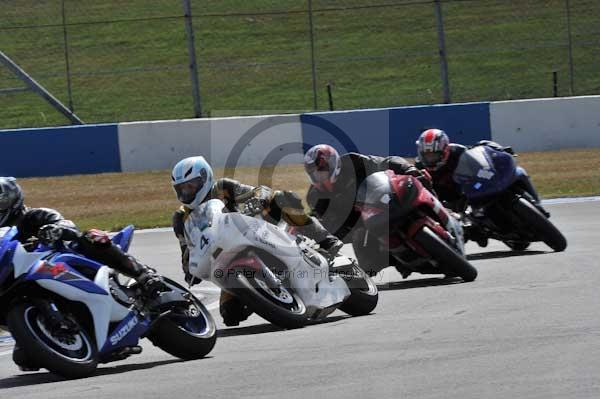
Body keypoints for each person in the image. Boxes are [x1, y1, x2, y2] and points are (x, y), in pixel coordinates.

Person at [0, 176, 162, 371]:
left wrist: (57, 229)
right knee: (24, 359)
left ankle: (143, 274)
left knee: (91, 237)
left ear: (12, 200)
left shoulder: (33, 216)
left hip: (62, 263)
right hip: (21, 279)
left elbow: (65, 223)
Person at [171, 156, 343, 327]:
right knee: (230, 314)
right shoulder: (181, 218)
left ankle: (325, 239)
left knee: (283, 198)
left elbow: (257, 192)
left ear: (204, 178)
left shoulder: (223, 187)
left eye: (190, 186)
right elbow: (186, 249)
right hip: (225, 259)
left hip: (256, 230)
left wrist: (257, 198)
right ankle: (266, 296)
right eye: (181, 189)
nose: (186, 192)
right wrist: (189, 269)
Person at [303, 144, 427, 277]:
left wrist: (408, 168)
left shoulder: (354, 162)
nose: (320, 176)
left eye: (322, 170)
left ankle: (442, 213)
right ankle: (399, 260)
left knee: (419, 180)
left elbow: (385, 162)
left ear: (334, 164)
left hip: (387, 202)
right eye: (315, 173)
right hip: (366, 226)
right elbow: (330, 228)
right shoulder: (315, 197)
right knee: (367, 264)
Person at [414, 129, 547, 245]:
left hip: (471, 186)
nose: (431, 159)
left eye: (434, 155)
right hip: (449, 199)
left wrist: (497, 150)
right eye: (428, 156)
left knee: (519, 172)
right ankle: (480, 231)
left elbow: (479, 154)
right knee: (466, 227)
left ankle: (537, 203)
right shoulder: (419, 168)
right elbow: (421, 189)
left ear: (445, 150)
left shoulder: (457, 150)